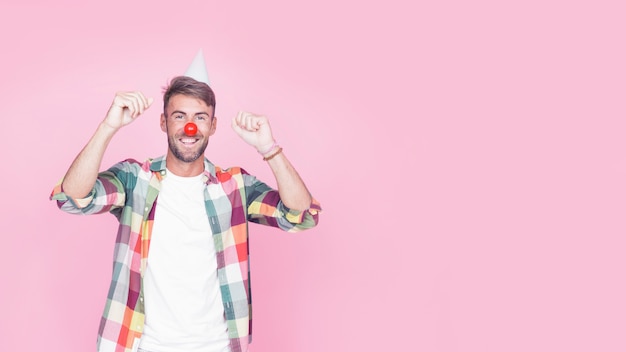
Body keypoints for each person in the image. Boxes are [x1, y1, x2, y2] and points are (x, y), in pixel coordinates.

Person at [50, 58, 321, 352]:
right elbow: (73, 199)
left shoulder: (235, 186)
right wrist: (108, 126)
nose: (189, 127)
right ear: (163, 122)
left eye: (200, 117)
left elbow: (300, 216)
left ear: (213, 125)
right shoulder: (134, 179)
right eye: (179, 116)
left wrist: (269, 148)